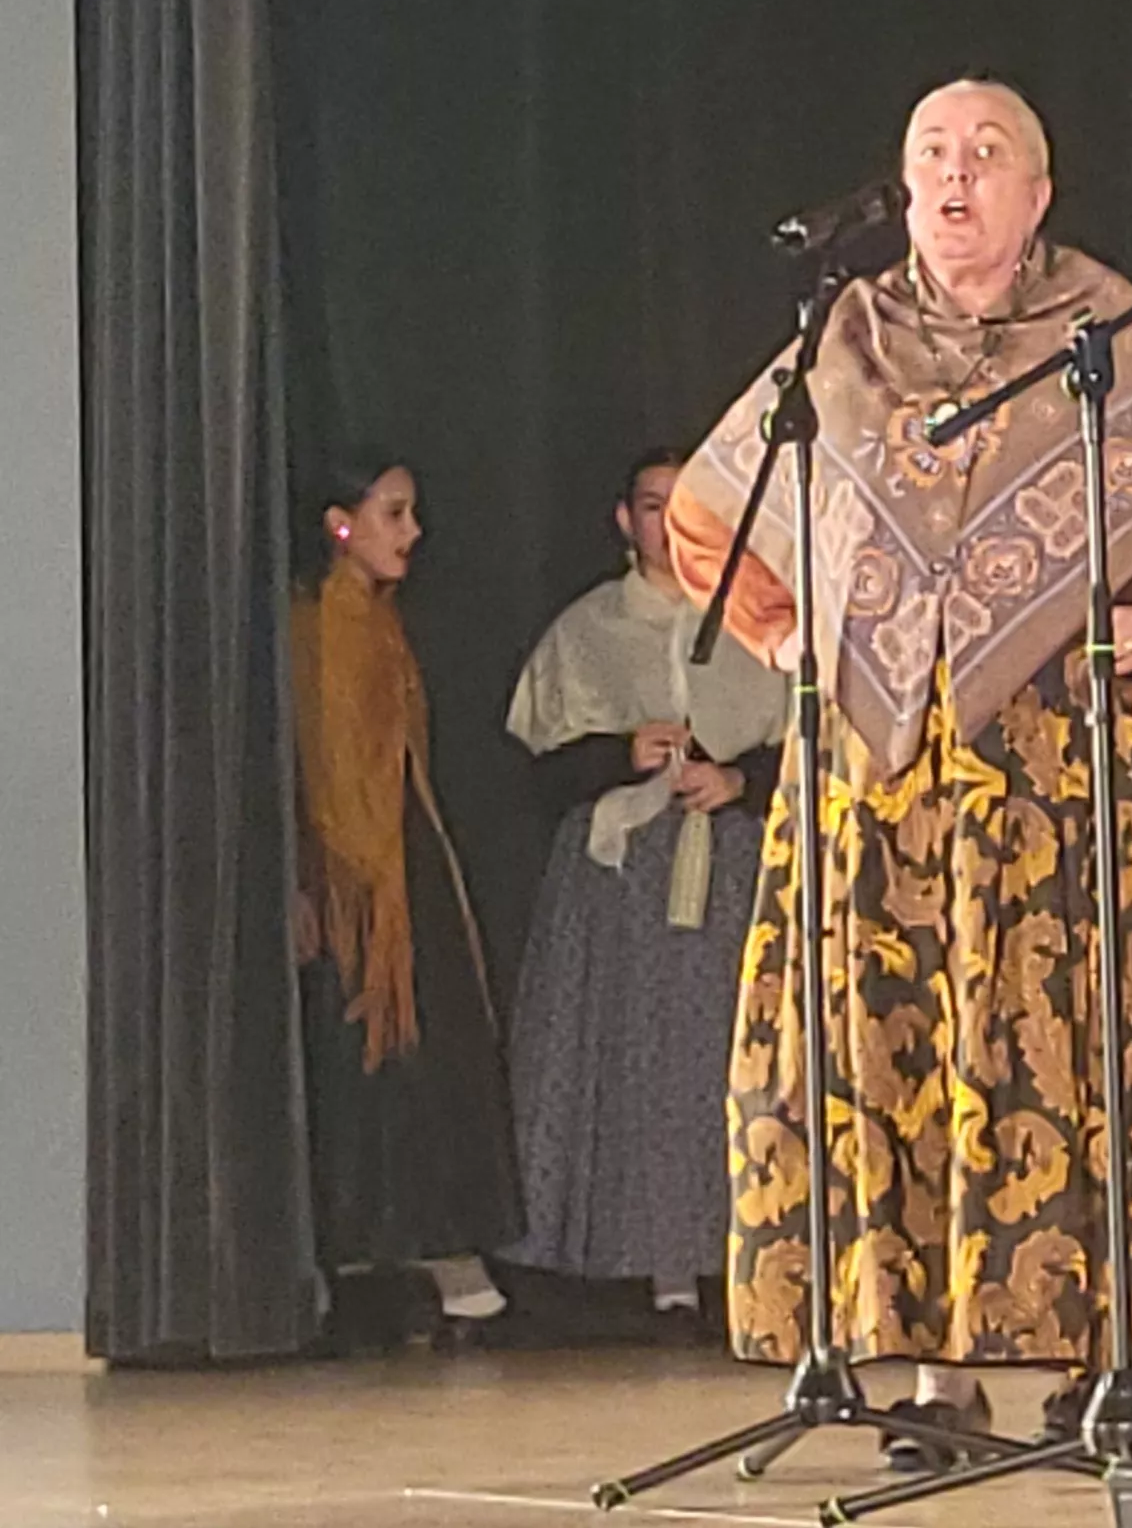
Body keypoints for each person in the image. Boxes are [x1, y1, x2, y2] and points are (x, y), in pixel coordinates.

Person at [670, 78, 1132, 1454]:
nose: (956, 175)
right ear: (900, 189)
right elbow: (706, 510)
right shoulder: (840, 341)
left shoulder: (1104, 327)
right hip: (876, 780)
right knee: (893, 1055)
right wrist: (792, 634)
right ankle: (924, 1379)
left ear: (1038, 193)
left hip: (1055, 767)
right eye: (930, 154)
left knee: (1062, 1048)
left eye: (989, 155)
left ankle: (1095, 1353)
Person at [501, 449, 788, 1331]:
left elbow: (816, 737)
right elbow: (529, 764)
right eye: (654, 505)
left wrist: (742, 781)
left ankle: (753, 1253)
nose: (670, 522)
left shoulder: (757, 621)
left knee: (731, 1061)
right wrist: (616, 754)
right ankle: (655, 1259)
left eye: (686, 504)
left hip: (732, 867)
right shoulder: (587, 629)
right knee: (635, 1063)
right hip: (623, 885)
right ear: (626, 520)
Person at [292, 456, 521, 1347]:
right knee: (365, 1063)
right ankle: (365, 1262)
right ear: (340, 523)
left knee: (428, 1057)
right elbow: (318, 772)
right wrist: (321, 882)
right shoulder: (314, 629)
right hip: (353, 885)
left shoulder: (383, 627)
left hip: (405, 864)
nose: (412, 531)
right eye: (393, 512)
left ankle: (436, 1249)